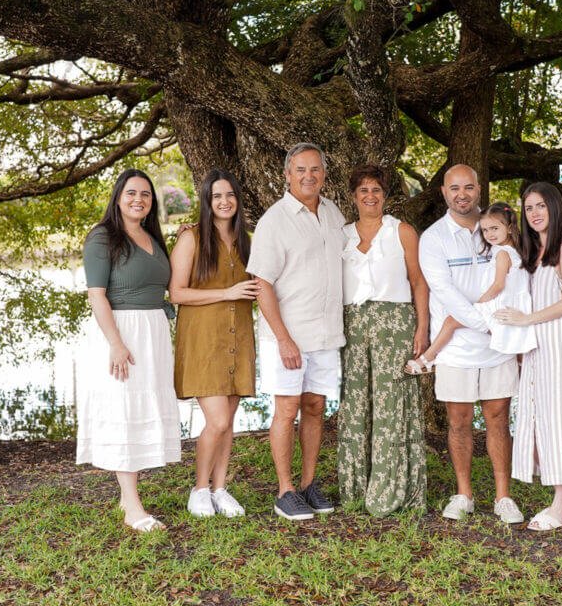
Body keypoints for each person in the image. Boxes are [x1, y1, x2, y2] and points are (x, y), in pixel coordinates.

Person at [418, 164, 524, 525]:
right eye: (454, 188)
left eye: (468, 187)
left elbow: (517, 277)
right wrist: (484, 324)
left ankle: (503, 497)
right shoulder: (433, 238)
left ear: (479, 189)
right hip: (457, 347)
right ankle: (464, 494)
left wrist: (507, 330)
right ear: (443, 193)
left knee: (498, 418)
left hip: (498, 345)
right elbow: (444, 291)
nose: (461, 194)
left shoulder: (495, 228)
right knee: (459, 421)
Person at [245, 142, 346, 521]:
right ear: (287, 175)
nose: (308, 176)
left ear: (324, 174)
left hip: (326, 334)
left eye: (315, 169)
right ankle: (285, 490)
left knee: (315, 407)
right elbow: (261, 284)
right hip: (287, 337)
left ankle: (307, 484)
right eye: (300, 170)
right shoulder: (274, 220)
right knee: (287, 410)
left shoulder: (333, 213)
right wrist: (284, 339)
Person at [78, 168, 181, 533]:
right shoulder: (103, 237)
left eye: (146, 194)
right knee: (125, 410)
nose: (139, 199)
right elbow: (96, 296)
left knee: (140, 409)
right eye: (132, 193)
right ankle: (133, 507)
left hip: (153, 333)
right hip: (123, 333)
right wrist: (116, 343)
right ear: (118, 197)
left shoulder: (151, 236)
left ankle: (127, 497)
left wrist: (188, 236)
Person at [496, 181, 562, 532]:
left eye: (541, 206)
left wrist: (526, 320)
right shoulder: (529, 251)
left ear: (554, 207)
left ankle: (558, 508)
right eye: (529, 207)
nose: (534, 213)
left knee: (560, 420)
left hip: (559, 345)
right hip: (535, 346)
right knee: (536, 421)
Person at [338, 164, 429, 516]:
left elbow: (418, 281)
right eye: (363, 190)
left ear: (386, 195)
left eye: (376, 189)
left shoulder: (401, 231)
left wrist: (422, 328)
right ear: (353, 196)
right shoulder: (342, 234)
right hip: (353, 327)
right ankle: (355, 488)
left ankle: (391, 490)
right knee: (356, 404)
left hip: (395, 325)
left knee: (392, 405)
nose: (370, 196)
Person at [169, 169, 259, 518]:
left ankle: (220, 489)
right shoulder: (191, 238)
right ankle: (199, 489)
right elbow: (177, 293)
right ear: (207, 201)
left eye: (230, 195)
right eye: (217, 196)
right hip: (204, 340)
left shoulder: (246, 241)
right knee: (218, 420)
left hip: (238, 336)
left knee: (229, 420)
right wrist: (227, 292)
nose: (224, 201)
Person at [405, 202, 535, 374]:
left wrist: (480, 303)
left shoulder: (502, 253)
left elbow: (498, 285)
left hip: (501, 306)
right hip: (511, 304)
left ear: (510, 228)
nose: (489, 234)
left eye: (495, 228)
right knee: (453, 322)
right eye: (485, 230)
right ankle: (521, 361)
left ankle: (427, 358)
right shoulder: (515, 251)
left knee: (451, 321)